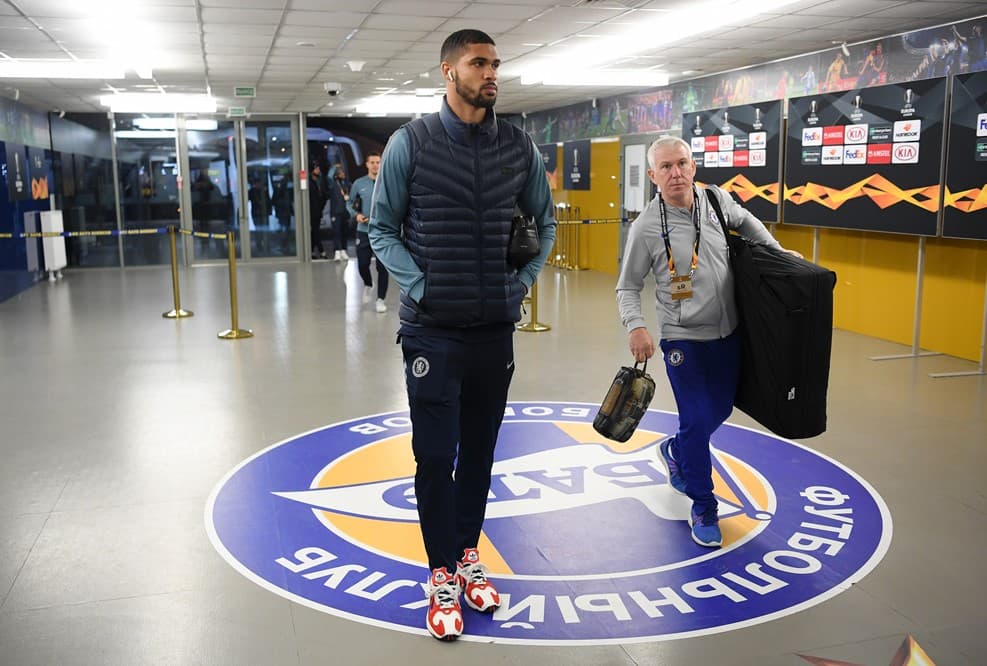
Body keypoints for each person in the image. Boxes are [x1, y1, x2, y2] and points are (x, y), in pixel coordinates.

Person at [369, 28, 556, 642]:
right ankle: (441, 573)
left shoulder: (518, 147)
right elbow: (381, 230)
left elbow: (546, 222)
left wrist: (520, 283)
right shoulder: (412, 143)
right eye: (479, 63)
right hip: (433, 333)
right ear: (449, 71)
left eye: (496, 63)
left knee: (480, 452)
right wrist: (421, 288)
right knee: (434, 456)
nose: (491, 73)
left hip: (493, 332)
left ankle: (467, 552)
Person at [615, 136, 800, 549]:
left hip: (729, 331)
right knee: (698, 421)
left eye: (682, 163)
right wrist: (636, 326)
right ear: (652, 175)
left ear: (693, 166)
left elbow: (748, 222)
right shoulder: (646, 227)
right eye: (666, 167)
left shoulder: (715, 200)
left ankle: (677, 451)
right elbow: (627, 286)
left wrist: (778, 254)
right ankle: (703, 504)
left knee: (719, 410)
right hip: (683, 338)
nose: (675, 173)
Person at [347, 151, 389, 312]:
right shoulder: (359, 183)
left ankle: (380, 300)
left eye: (378, 162)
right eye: (372, 162)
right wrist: (356, 215)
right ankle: (368, 284)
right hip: (363, 231)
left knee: (383, 267)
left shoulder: (387, 182)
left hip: (382, 232)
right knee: (363, 265)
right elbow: (349, 203)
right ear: (367, 164)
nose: (375, 165)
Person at [326, 163, 352, 261]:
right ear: (336, 174)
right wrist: (334, 167)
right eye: (341, 172)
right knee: (336, 232)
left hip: (345, 212)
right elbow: (329, 176)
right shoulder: (333, 184)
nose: (343, 173)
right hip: (335, 212)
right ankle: (337, 251)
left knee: (345, 232)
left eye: (343, 172)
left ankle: (344, 250)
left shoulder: (346, 184)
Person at [308, 161, 328, 259]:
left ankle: (312, 251)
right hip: (312, 211)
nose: (318, 170)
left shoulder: (320, 181)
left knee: (314, 231)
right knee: (315, 231)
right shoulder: (309, 182)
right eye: (316, 169)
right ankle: (321, 250)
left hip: (318, 210)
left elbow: (323, 195)